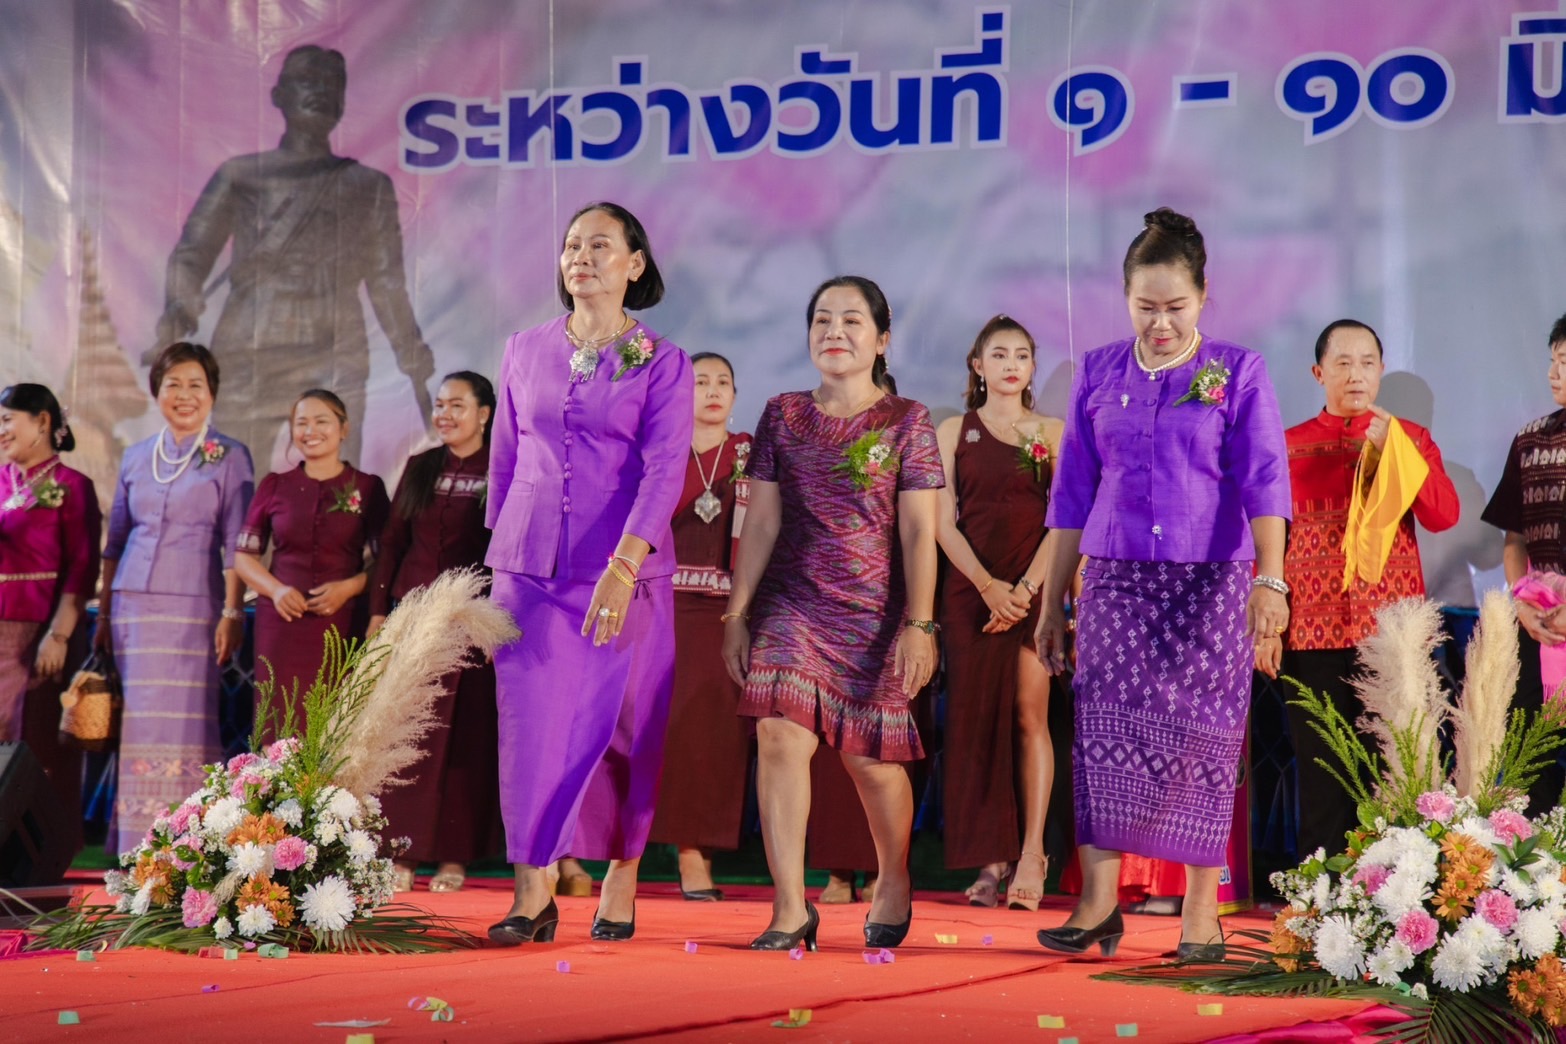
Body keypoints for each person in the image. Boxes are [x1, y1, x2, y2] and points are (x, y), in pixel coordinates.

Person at [1032, 208, 1290, 961]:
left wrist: (1270, 580)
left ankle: (1201, 913)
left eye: (1176, 306)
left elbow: (1266, 480)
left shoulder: (1239, 371)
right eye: (1145, 307)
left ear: (1203, 297)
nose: (1161, 323)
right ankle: (1098, 903)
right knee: (1103, 730)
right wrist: (1050, 605)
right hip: (1115, 578)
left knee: (1207, 737)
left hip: (1212, 581)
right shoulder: (1098, 372)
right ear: (1125, 300)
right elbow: (1071, 497)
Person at [485, 201, 693, 945]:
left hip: (625, 569)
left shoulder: (662, 361)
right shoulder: (523, 349)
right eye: (572, 244)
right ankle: (531, 892)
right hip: (529, 569)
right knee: (529, 729)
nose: (581, 256)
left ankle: (621, 872)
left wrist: (624, 565)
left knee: (625, 729)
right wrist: (498, 558)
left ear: (635, 264)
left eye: (600, 245)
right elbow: (505, 460)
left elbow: (665, 469)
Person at [722, 275, 943, 952]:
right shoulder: (783, 414)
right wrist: (737, 614)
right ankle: (790, 908)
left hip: (875, 613)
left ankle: (894, 875)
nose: (834, 332)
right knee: (779, 736)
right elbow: (761, 521)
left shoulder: (907, 420)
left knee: (869, 762)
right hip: (791, 602)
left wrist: (920, 624)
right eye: (822, 319)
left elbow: (918, 531)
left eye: (851, 320)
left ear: (882, 339)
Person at [152, 44, 435, 470]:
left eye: (331, 84)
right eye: (307, 81)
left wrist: (410, 350)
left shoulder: (367, 185)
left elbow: (386, 280)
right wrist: (180, 308)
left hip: (334, 347)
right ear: (278, 95)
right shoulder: (241, 175)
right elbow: (191, 255)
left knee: (337, 482)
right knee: (235, 476)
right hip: (249, 346)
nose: (320, 91)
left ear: (342, 101)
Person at [1258, 319, 1458, 857]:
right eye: (1343, 363)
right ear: (1318, 373)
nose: (1356, 375)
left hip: (1390, 633)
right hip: (1309, 631)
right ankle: (1322, 891)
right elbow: (1265, 539)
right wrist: (1267, 626)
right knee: (1321, 769)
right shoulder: (1287, 445)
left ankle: (1393, 888)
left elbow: (1443, 515)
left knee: (1397, 768)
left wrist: (1398, 452)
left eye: (1367, 363)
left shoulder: (1410, 439)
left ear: (1381, 369)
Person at [98, 343, 254, 854]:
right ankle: (135, 845)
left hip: (195, 605)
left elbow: (237, 543)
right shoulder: (136, 455)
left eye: (195, 386)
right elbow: (115, 542)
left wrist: (232, 610)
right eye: (173, 385)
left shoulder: (231, 456)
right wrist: (104, 614)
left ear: (212, 394)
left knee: (188, 723)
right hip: (132, 606)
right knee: (139, 726)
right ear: (156, 391)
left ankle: (187, 845)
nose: (184, 395)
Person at [935, 315, 1063, 910]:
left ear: (1032, 367)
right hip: (971, 591)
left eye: (1022, 354)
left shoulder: (1052, 431)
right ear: (977, 365)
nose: (1011, 364)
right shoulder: (952, 431)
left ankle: (1032, 853)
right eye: (999, 354)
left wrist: (1026, 591)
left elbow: (1065, 520)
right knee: (976, 722)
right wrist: (988, 586)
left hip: (1033, 592)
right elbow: (942, 521)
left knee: (1028, 713)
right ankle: (990, 860)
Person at [368, 372, 501, 894]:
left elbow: (507, 551)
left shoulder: (502, 467)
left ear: (484, 414)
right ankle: (403, 852)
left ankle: (454, 858)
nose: (444, 414)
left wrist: (496, 623)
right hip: (413, 621)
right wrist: (379, 614)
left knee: (464, 741)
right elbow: (392, 541)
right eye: (440, 404)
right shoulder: (421, 466)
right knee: (408, 737)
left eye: (457, 405)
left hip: (470, 623)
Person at [648, 352, 754, 900]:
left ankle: (699, 852)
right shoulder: (660, 452)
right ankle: (643, 851)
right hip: (660, 612)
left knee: (714, 734)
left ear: (735, 395)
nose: (712, 391)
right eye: (700, 382)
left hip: (727, 614)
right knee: (662, 729)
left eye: (723, 382)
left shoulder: (750, 454)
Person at [235, 389, 388, 718]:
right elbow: (243, 557)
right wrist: (276, 590)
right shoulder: (274, 485)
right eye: (301, 423)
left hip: (343, 622)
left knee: (337, 723)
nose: (310, 431)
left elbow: (387, 561)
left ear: (343, 428)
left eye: (321, 421)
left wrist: (349, 587)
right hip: (281, 622)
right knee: (278, 720)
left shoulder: (368, 487)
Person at [1482, 312, 1566, 812]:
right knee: (1528, 761)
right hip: (1537, 624)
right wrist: (1521, 603)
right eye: (1553, 360)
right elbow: (1514, 538)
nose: (1554, 373)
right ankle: (1535, 856)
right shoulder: (1530, 440)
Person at [0, 385, 101, 740]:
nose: (0, 431)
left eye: (7, 420)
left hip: (40, 631)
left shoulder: (73, 486)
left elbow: (82, 568)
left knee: (33, 738)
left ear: (42, 421)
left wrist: (59, 636)